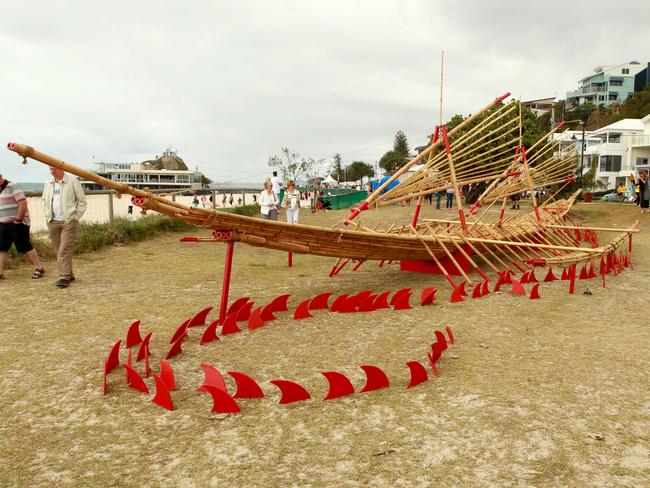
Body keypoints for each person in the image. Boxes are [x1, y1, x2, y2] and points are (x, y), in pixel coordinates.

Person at [43, 167, 87, 288]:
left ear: (61, 168)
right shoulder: (48, 183)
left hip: (68, 221)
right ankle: (69, 273)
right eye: (50, 169)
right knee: (59, 250)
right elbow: (45, 201)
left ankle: (64, 276)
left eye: (54, 168)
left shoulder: (73, 181)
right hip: (52, 221)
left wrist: (75, 217)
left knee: (64, 249)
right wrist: (47, 216)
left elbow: (82, 201)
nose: (52, 171)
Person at [0, 174, 45, 280]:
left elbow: (23, 204)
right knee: (1, 249)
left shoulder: (13, 186)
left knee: (25, 247)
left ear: (0, 176)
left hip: (17, 223)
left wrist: (18, 221)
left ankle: (39, 268)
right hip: (2, 224)